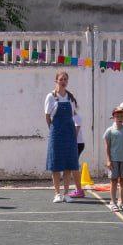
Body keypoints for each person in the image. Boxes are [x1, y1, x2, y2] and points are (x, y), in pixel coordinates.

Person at [44, 71, 82, 202]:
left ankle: (66, 193)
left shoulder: (70, 97)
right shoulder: (51, 96)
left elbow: (73, 116)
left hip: (69, 134)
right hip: (56, 134)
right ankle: (57, 193)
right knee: (56, 165)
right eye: (61, 79)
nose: (63, 81)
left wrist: (73, 131)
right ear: (56, 81)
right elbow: (48, 116)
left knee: (68, 165)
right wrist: (54, 130)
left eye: (65, 79)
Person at [104, 105, 123, 211]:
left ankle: (121, 201)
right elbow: (107, 146)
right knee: (113, 181)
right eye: (117, 116)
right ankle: (113, 202)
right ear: (114, 117)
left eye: (122, 115)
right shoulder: (110, 131)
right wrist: (108, 159)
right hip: (113, 160)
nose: (120, 118)